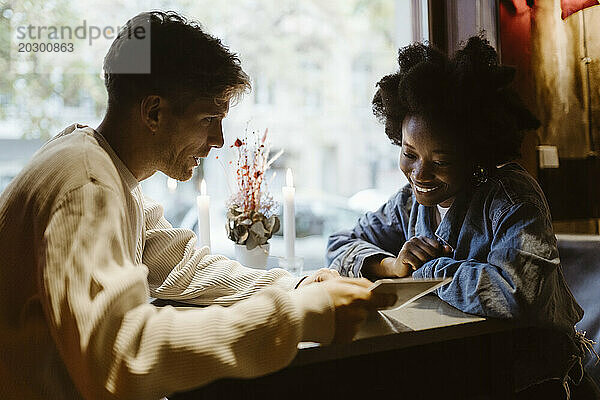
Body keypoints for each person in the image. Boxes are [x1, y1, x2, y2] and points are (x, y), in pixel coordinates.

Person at [0, 11, 394, 400]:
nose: (219, 140)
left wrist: (297, 285)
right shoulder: (87, 186)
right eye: (209, 118)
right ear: (153, 112)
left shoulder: (102, 169)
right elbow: (123, 358)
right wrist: (301, 315)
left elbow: (184, 266)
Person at [326, 36, 599, 398]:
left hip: (538, 382)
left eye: (441, 162)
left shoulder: (512, 197)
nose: (419, 174)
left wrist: (430, 269)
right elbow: (338, 246)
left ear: (477, 155)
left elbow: (519, 294)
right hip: (465, 370)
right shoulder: (410, 201)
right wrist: (390, 266)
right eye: (409, 153)